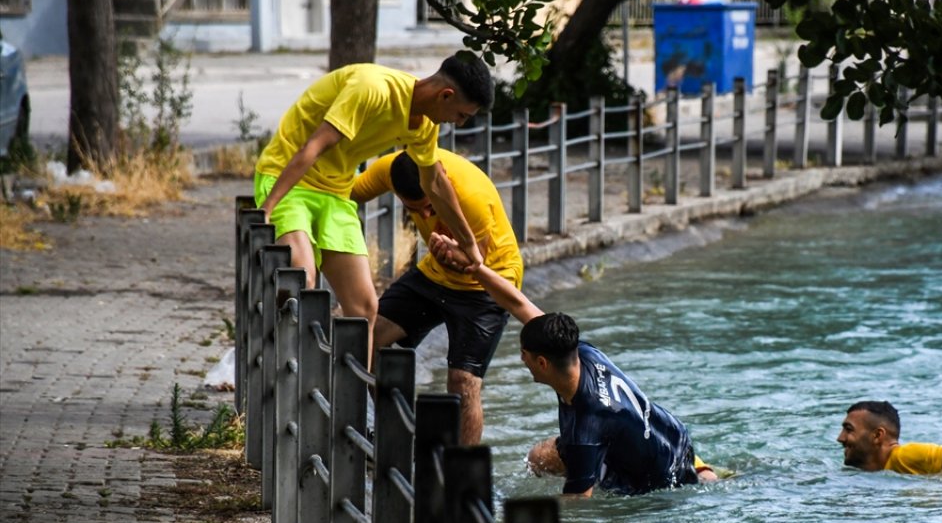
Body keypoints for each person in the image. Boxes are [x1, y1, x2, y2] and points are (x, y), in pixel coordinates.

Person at [428, 233, 718, 496]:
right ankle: (702, 471)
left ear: (542, 363)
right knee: (538, 459)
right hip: (674, 437)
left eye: (524, 355)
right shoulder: (579, 351)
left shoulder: (586, 427)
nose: (521, 360)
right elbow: (517, 304)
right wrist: (474, 267)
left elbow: (578, 503)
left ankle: (701, 477)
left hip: (653, 483)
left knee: (569, 472)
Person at [253, 52, 492, 365]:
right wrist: (267, 209)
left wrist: (470, 244)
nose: (458, 123)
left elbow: (435, 185)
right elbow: (314, 146)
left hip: (335, 193)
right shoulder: (372, 88)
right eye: (461, 115)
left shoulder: (423, 127)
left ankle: (356, 409)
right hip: (288, 177)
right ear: (445, 95)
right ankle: (277, 370)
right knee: (301, 277)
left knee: (365, 308)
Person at [349, 148, 522, 445]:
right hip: (432, 274)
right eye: (416, 209)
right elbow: (349, 191)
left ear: (437, 180)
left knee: (464, 382)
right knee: (372, 339)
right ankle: (396, 438)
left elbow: (472, 263)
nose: (427, 216)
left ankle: (462, 473)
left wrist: (454, 254)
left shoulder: (471, 195)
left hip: (486, 284)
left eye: (431, 206)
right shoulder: (391, 168)